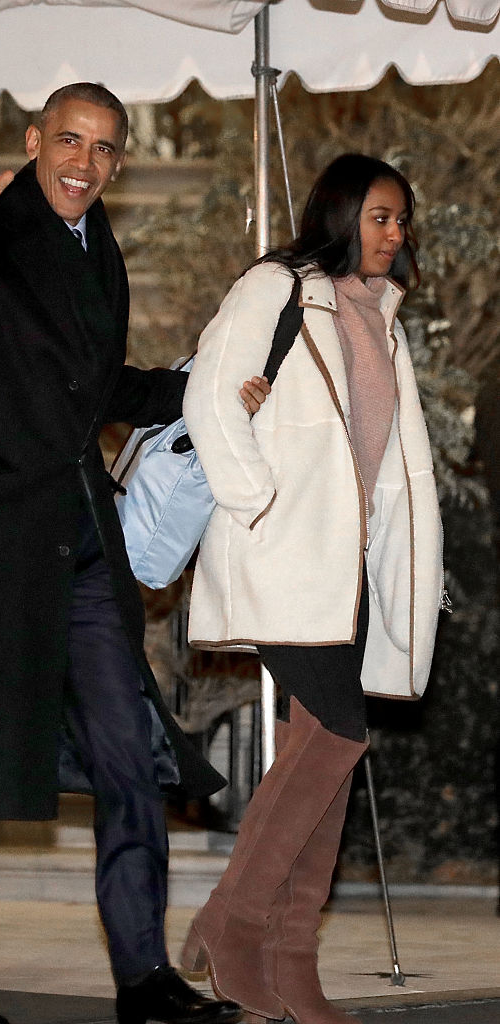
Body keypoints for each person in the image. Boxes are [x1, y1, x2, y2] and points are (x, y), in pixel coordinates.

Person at [0, 82, 267, 1024]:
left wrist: (204, 395)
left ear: (118, 162)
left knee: (128, 754)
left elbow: (94, 386)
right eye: (70, 141)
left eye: (104, 148)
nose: (85, 162)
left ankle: (143, 977)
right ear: (36, 141)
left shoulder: (97, 244)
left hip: (77, 542)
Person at [178, 154, 445, 1024]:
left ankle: (287, 959)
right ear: (339, 213)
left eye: (400, 220)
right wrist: (258, 501)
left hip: (346, 568)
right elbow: (210, 394)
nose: (393, 233)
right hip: (281, 549)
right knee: (335, 736)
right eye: (378, 216)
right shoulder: (277, 286)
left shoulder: (380, 316)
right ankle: (236, 924)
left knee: (318, 747)